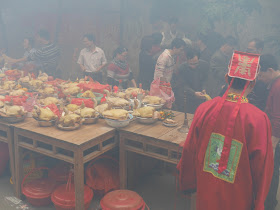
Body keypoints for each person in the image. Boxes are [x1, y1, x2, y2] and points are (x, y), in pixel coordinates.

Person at [177, 51, 273, 210]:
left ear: (227, 78)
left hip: (205, 190)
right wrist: (259, 202)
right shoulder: (258, 120)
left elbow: (189, 149)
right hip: (237, 197)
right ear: (253, 83)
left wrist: (188, 181)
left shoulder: (204, 109)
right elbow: (262, 169)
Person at [258, 54, 280, 210]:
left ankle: (270, 204)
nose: (259, 77)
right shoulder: (274, 84)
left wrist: (272, 145)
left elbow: (278, 118)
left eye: (261, 74)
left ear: (271, 70)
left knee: (272, 173)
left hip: (275, 140)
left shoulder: (278, 86)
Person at [172, 47, 209, 113]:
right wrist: (194, 93)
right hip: (187, 98)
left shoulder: (205, 65)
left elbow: (206, 80)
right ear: (187, 60)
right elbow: (182, 85)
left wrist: (204, 89)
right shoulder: (182, 68)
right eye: (191, 64)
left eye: (195, 63)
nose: (193, 66)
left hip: (201, 97)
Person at [246, 39, 267, 110]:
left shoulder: (264, 63)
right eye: (247, 50)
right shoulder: (246, 61)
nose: (248, 52)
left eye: (250, 50)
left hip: (258, 96)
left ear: (259, 50)